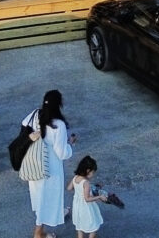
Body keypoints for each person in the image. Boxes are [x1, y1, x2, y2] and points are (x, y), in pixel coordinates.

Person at [23, 90, 77, 238]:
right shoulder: (58, 125)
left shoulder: (35, 114)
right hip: (50, 168)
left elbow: (24, 126)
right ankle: (38, 233)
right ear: (59, 104)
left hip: (34, 163)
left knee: (39, 195)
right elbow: (61, 153)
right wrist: (70, 144)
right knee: (46, 198)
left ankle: (58, 212)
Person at [69, 156, 107, 238]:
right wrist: (100, 196)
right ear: (88, 171)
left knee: (79, 226)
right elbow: (87, 199)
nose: (93, 174)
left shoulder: (75, 177)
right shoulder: (86, 183)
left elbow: (69, 188)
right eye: (93, 172)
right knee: (93, 226)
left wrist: (78, 192)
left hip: (77, 205)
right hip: (86, 207)